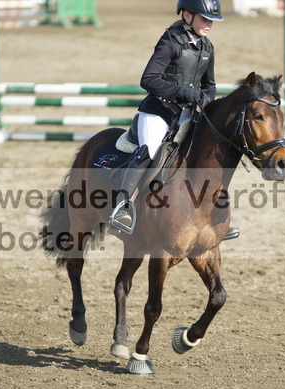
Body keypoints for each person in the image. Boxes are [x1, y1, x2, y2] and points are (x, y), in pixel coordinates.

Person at [110, 0, 240, 240]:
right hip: (158, 112)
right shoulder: (170, 40)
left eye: (212, 20)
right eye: (205, 19)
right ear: (187, 16)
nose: (209, 24)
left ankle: (218, 213)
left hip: (188, 114)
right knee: (149, 151)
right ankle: (123, 206)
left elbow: (209, 84)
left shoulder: (207, 47)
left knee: (208, 152)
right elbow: (148, 79)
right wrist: (182, 92)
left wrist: (206, 98)